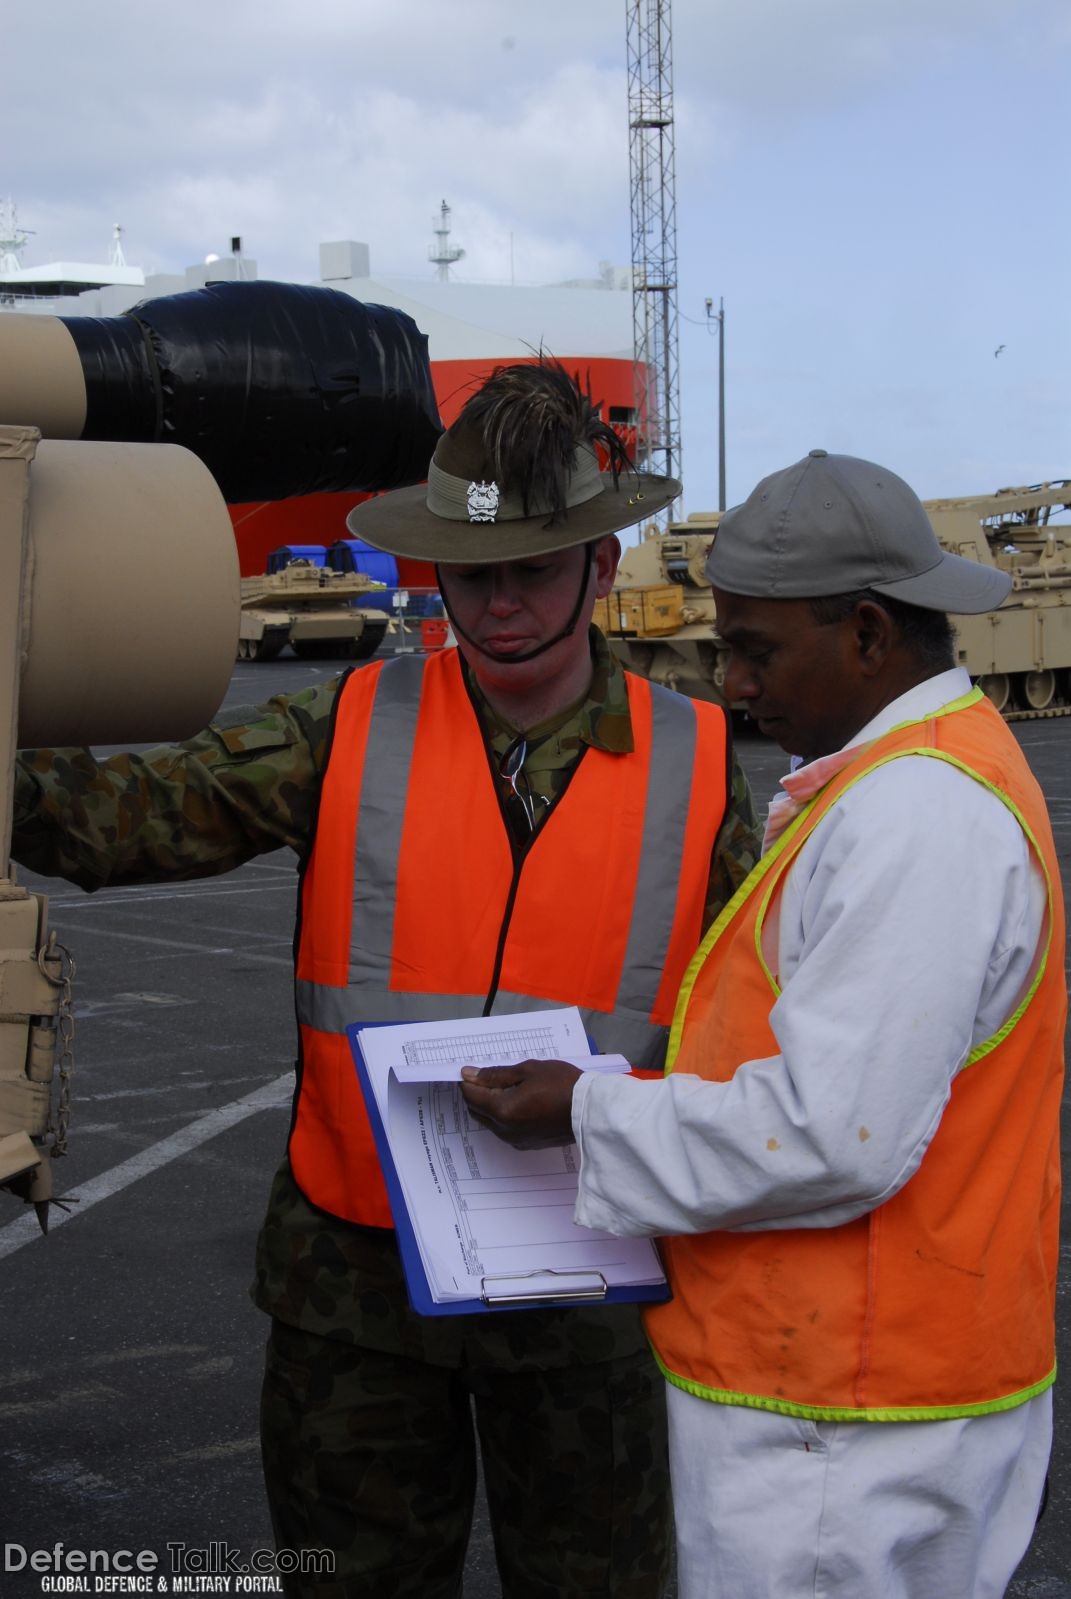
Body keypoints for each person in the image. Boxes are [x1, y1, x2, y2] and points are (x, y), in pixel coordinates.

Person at [13, 359, 759, 1598]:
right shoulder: (348, 720)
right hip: (354, 1295)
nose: (501, 606)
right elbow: (129, 819)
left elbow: (781, 1032)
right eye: (473, 577)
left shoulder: (709, 769)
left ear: (601, 569)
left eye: (531, 571)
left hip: (591, 1299)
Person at [462, 448, 1065, 1599]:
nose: (731, 685)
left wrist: (582, 1108)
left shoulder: (913, 816)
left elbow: (830, 1136)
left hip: (840, 1421)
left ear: (874, 634)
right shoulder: (920, 775)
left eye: (756, 649)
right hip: (873, 1385)